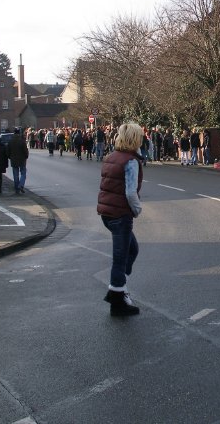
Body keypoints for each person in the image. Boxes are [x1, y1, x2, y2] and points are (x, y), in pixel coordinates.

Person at [97, 121, 144, 317]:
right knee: (120, 259)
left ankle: (120, 287)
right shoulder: (130, 161)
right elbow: (130, 192)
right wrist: (137, 209)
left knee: (132, 249)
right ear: (135, 139)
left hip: (107, 214)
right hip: (121, 215)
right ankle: (118, 301)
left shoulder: (111, 157)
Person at [7, 127, 29, 194]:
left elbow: (7, 151)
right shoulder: (22, 141)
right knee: (23, 173)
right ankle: (21, 185)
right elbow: (25, 150)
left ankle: (17, 188)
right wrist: (26, 156)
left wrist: (10, 157)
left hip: (14, 160)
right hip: (22, 159)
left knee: (15, 174)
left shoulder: (10, 141)